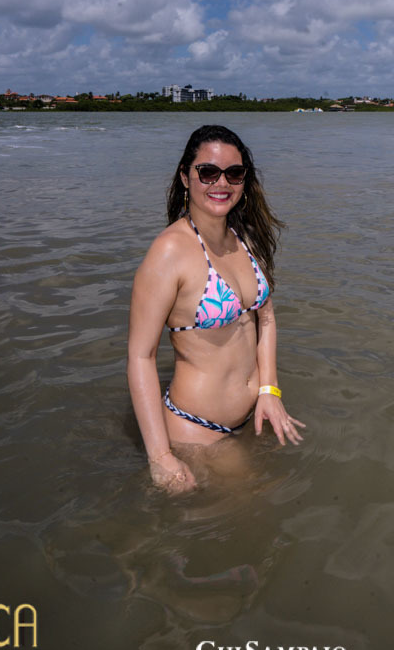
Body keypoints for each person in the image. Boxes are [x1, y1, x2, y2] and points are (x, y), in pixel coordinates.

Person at [127, 124, 305, 491]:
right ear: (185, 177)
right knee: (257, 516)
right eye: (207, 172)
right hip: (198, 430)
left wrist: (270, 391)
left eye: (234, 173)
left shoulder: (246, 238)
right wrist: (160, 457)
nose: (221, 183)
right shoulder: (170, 252)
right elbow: (140, 356)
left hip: (254, 414)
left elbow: (265, 318)